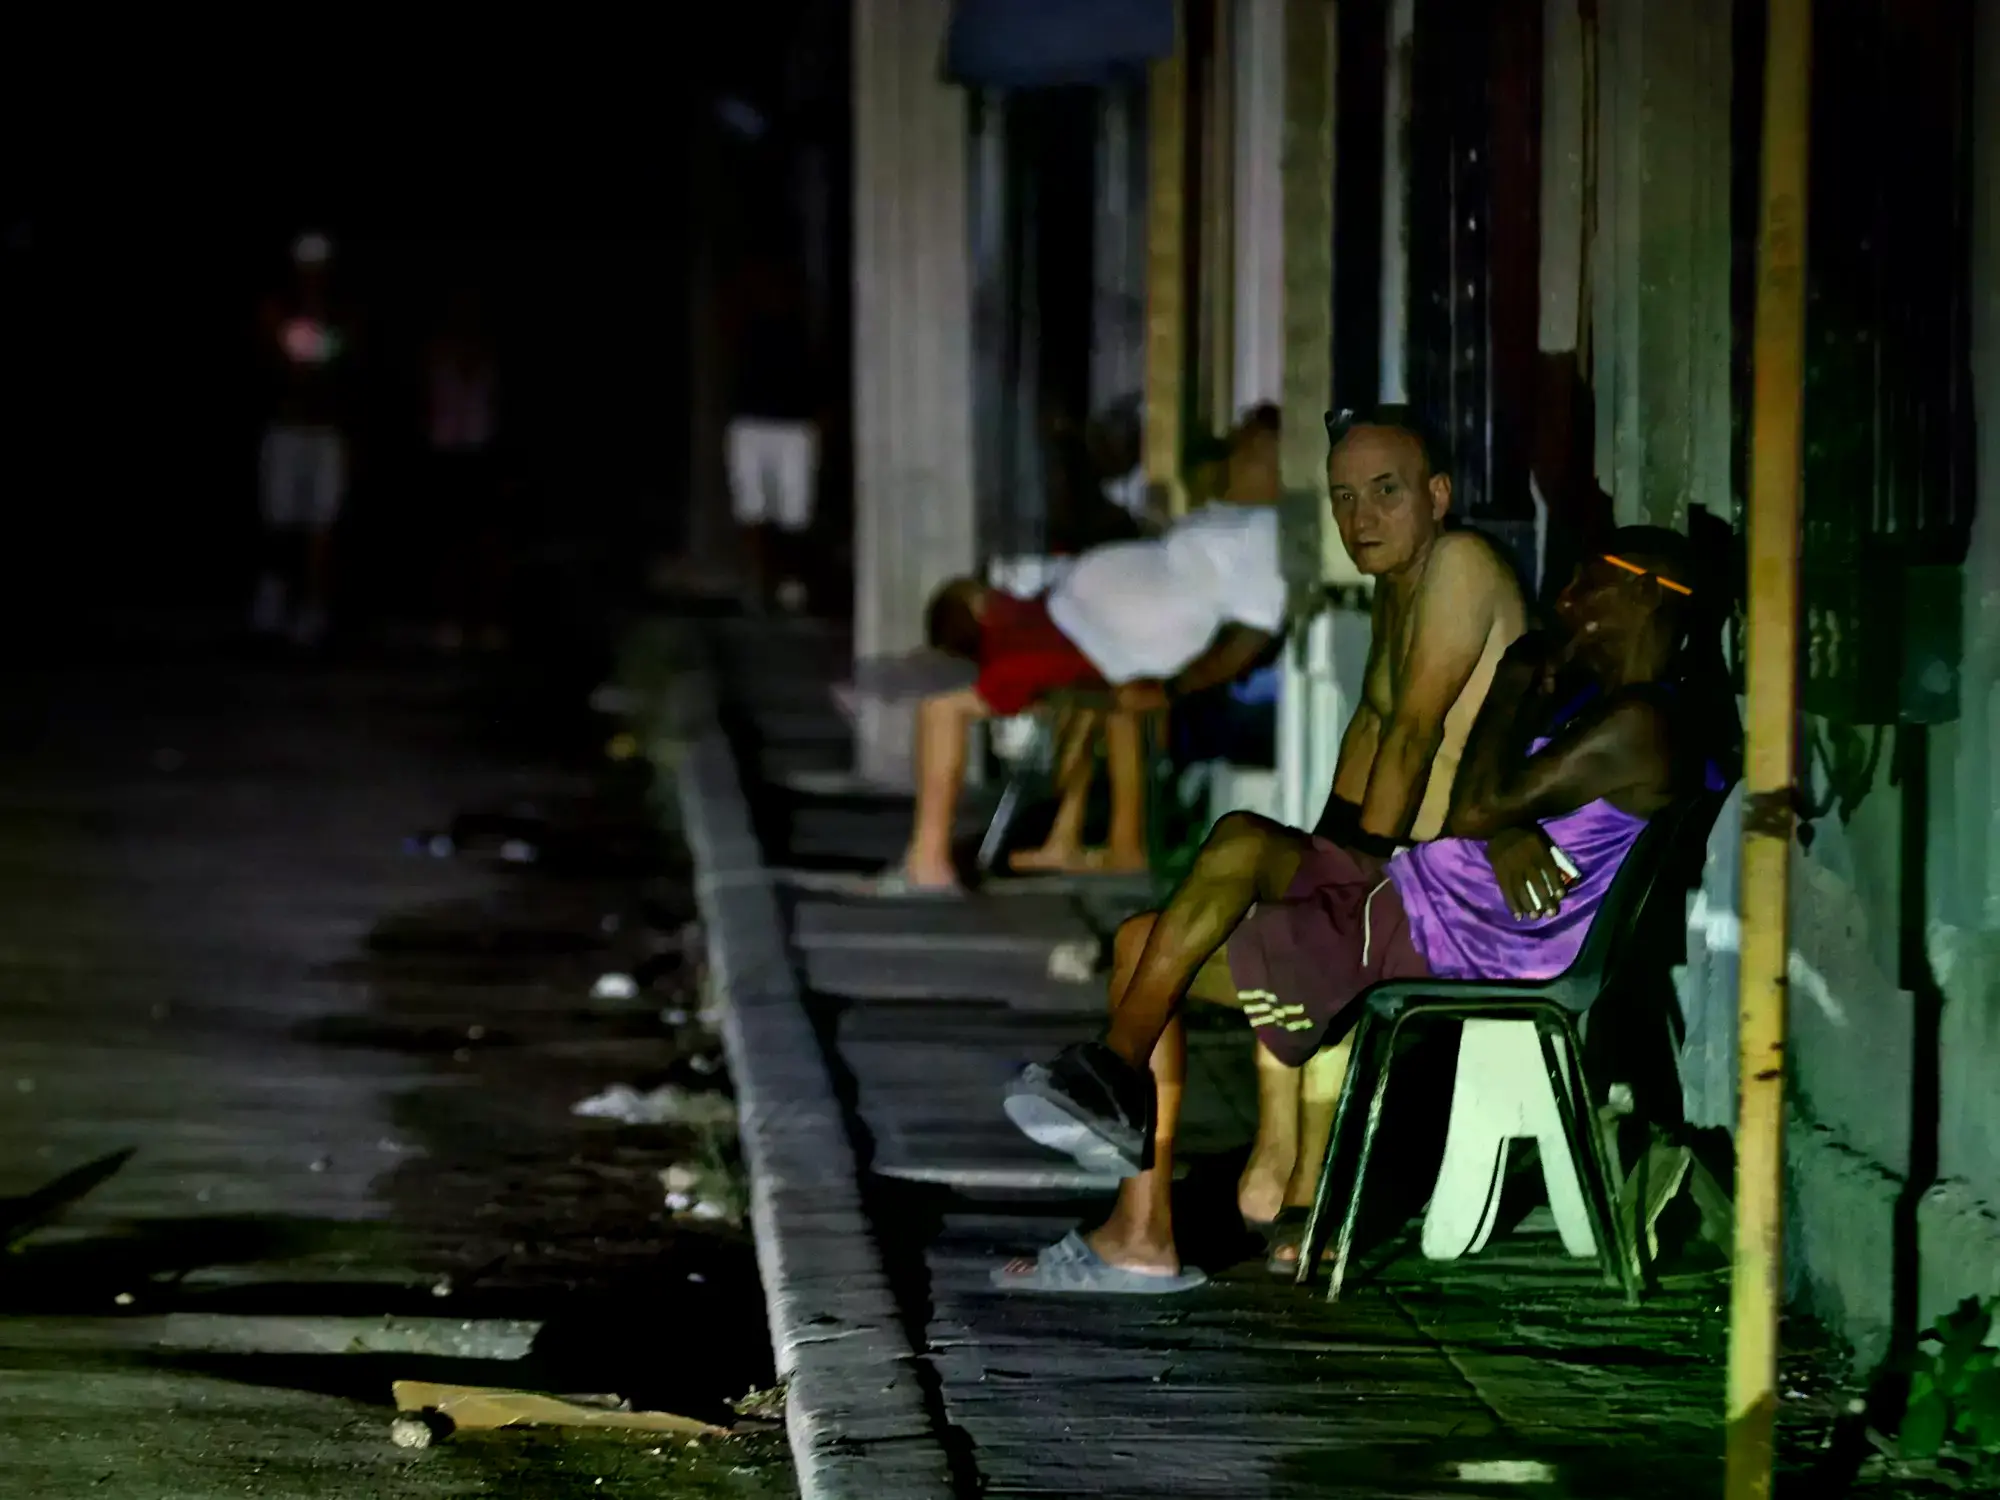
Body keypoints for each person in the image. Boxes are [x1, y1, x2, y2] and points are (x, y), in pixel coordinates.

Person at [992, 525, 1735, 1292]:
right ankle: (1116, 1084)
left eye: (1589, 581)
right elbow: (1481, 812)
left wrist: (1516, 684)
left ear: (1645, 592)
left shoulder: (1644, 724)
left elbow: (1475, 806)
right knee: (1239, 841)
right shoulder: (1601, 704)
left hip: (1453, 939)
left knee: (1145, 946)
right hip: (1418, 897)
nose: (1567, 598)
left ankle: (1137, 1210)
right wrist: (1504, 823)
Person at [862, 407, 1289, 897]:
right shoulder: (1228, 517)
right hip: (1073, 620)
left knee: (944, 697)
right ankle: (961, 849)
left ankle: (928, 864)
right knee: (955, 628)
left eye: (1247, 452)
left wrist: (1171, 690)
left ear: (1278, 466)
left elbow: (1248, 641)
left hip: (1101, 645)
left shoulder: (1263, 536)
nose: (1232, 459)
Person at [252, 232, 357, 646]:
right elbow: (279, 364)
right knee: (278, 522)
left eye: (319, 270)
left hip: (326, 436)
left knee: (321, 525)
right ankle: (272, 606)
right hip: (285, 433)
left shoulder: (342, 315)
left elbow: (340, 367)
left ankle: (312, 611)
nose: (312, 277)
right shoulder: (276, 310)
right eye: (306, 269)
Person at [724, 253, 820, 614]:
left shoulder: (801, 330)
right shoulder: (743, 326)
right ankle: (759, 583)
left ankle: (789, 582)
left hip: (792, 425)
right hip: (751, 422)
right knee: (752, 510)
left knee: (794, 515)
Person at [422, 286, 507, 652]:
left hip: (480, 454)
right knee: (449, 540)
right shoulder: (437, 356)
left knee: (484, 541)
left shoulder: (489, 358)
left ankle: (486, 620)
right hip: (446, 455)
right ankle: (449, 620)